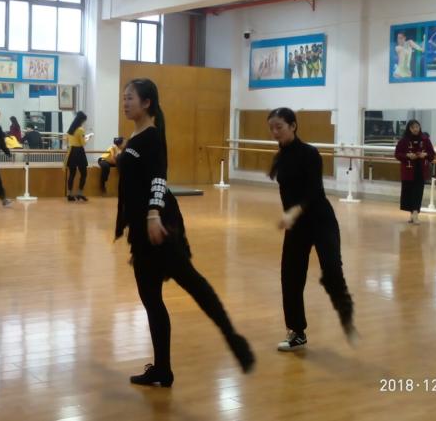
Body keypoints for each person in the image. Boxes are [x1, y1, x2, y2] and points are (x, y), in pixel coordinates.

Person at [117, 79, 253, 388]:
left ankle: (232, 337)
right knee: (151, 298)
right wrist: (115, 160)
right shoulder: (136, 137)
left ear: (147, 103)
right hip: (142, 229)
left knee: (190, 282)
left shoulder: (152, 136)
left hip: (159, 223)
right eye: (124, 98)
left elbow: (158, 177)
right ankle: (162, 369)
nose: (125, 103)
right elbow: (137, 172)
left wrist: (153, 213)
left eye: (130, 98)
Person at [267, 107, 356, 352]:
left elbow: (314, 190)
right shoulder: (280, 156)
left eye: (279, 127)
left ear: (293, 126)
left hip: (321, 220)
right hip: (297, 227)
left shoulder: (310, 153)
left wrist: (294, 211)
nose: (275, 132)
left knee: (332, 270)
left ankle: (347, 316)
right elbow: (285, 190)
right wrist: (289, 215)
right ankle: (296, 332)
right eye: (271, 128)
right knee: (290, 277)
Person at [394, 120, 434, 224]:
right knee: (408, 193)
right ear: (409, 129)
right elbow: (397, 154)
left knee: (418, 192)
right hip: (408, 171)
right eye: (413, 127)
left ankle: (415, 214)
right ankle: (412, 214)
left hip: (420, 170)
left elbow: (432, 154)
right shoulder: (404, 140)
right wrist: (407, 155)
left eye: (417, 127)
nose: (415, 129)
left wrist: (425, 155)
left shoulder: (425, 140)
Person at [64, 111, 91, 202]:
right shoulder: (80, 130)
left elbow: (66, 141)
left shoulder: (70, 129)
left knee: (72, 174)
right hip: (79, 152)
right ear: (81, 120)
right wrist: (88, 138)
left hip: (71, 152)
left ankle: (69, 194)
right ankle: (80, 193)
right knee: (84, 173)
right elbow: (83, 143)